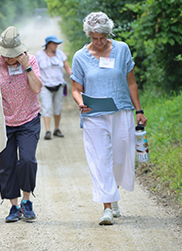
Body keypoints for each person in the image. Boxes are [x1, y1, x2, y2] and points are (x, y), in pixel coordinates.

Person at [71, 12, 147, 225]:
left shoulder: (122, 49)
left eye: (102, 37)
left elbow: (131, 82)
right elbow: (76, 89)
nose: (99, 42)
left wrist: (139, 110)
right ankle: (106, 207)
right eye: (94, 38)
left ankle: (112, 194)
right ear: (88, 35)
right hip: (94, 114)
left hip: (121, 110)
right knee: (101, 158)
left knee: (121, 158)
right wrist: (79, 102)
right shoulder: (80, 57)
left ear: (108, 33)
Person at [0, 26, 43, 223]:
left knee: (28, 160)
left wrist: (26, 67)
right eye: (6, 55)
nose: (9, 59)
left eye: (12, 55)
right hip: (4, 121)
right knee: (6, 164)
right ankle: (13, 206)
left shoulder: (30, 60)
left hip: (29, 119)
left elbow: (37, 88)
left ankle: (27, 201)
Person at [35, 35, 72, 140]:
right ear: (48, 44)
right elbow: (35, 70)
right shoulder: (39, 55)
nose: (56, 45)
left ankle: (57, 128)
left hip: (59, 85)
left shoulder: (60, 54)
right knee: (46, 108)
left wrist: (75, 79)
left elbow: (67, 67)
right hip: (45, 86)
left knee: (58, 108)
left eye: (57, 44)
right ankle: (47, 130)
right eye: (54, 43)